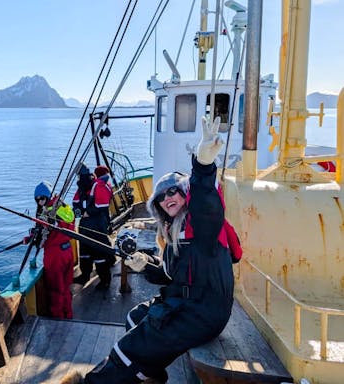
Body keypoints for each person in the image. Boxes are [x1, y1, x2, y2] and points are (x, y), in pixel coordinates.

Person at [67, 116, 235, 383]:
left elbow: (207, 202)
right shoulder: (175, 234)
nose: (168, 198)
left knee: (126, 352)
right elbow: (170, 274)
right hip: (189, 303)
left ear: (185, 195)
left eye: (174, 192)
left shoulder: (201, 227)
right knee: (135, 318)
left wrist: (203, 164)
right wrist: (143, 262)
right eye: (162, 197)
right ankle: (150, 376)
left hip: (203, 311)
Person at [29, 181, 75, 319]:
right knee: (66, 287)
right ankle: (68, 314)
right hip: (67, 251)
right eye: (37, 200)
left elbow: (42, 237)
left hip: (54, 256)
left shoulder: (47, 214)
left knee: (56, 289)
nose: (40, 202)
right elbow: (70, 225)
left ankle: (58, 318)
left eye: (42, 198)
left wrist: (33, 237)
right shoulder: (64, 208)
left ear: (48, 197)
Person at [72, 164, 114, 290]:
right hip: (85, 225)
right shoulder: (81, 188)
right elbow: (75, 203)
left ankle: (105, 280)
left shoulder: (98, 186)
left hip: (97, 226)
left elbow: (102, 205)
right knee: (84, 251)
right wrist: (79, 212)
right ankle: (85, 275)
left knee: (99, 252)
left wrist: (88, 212)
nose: (79, 179)